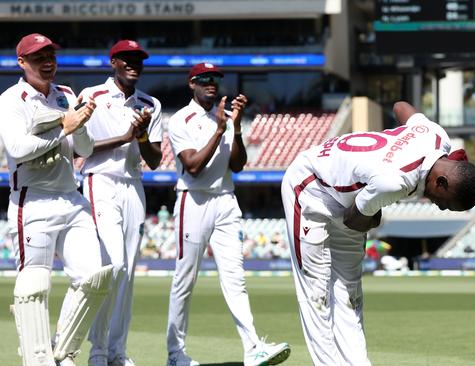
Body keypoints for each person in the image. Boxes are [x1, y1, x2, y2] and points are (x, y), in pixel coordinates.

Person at [280, 100, 475, 365]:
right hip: (310, 186)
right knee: (317, 290)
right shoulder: (395, 181)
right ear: (441, 182)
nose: (440, 207)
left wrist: (395, 144)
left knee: (349, 292)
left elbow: (400, 106)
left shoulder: (436, 135)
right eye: (446, 203)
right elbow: (355, 220)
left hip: (350, 195)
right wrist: (376, 214)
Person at [165, 63, 291, 366]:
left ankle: (253, 348)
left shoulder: (224, 118)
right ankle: (175, 354)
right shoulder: (181, 120)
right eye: (205, 79)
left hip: (225, 200)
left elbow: (238, 165)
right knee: (185, 279)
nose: (212, 84)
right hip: (193, 201)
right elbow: (193, 167)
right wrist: (220, 128)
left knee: (235, 279)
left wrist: (234, 128)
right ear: (192, 83)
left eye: (216, 80)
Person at [0, 33, 113, 366]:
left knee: (95, 277)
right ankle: (38, 361)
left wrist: (78, 126)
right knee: (34, 288)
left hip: (71, 198)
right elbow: (18, 150)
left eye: (51, 55)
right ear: (22, 63)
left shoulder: (66, 94)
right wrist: (65, 126)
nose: (47, 62)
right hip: (32, 202)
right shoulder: (11, 99)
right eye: (38, 57)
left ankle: (61, 352)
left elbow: (86, 149)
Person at [79, 39, 163, 366]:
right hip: (99, 180)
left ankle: (116, 352)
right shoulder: (92, 96)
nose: (133, 64)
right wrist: (125, 137)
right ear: (113, 62)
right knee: (112, 266)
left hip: (133, 186)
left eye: (138, 60)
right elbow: (77, 150)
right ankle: (97, 351)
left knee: (127, 273)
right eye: (126, 59)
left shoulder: (149, 104)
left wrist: (140, 137)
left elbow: (154, 160)